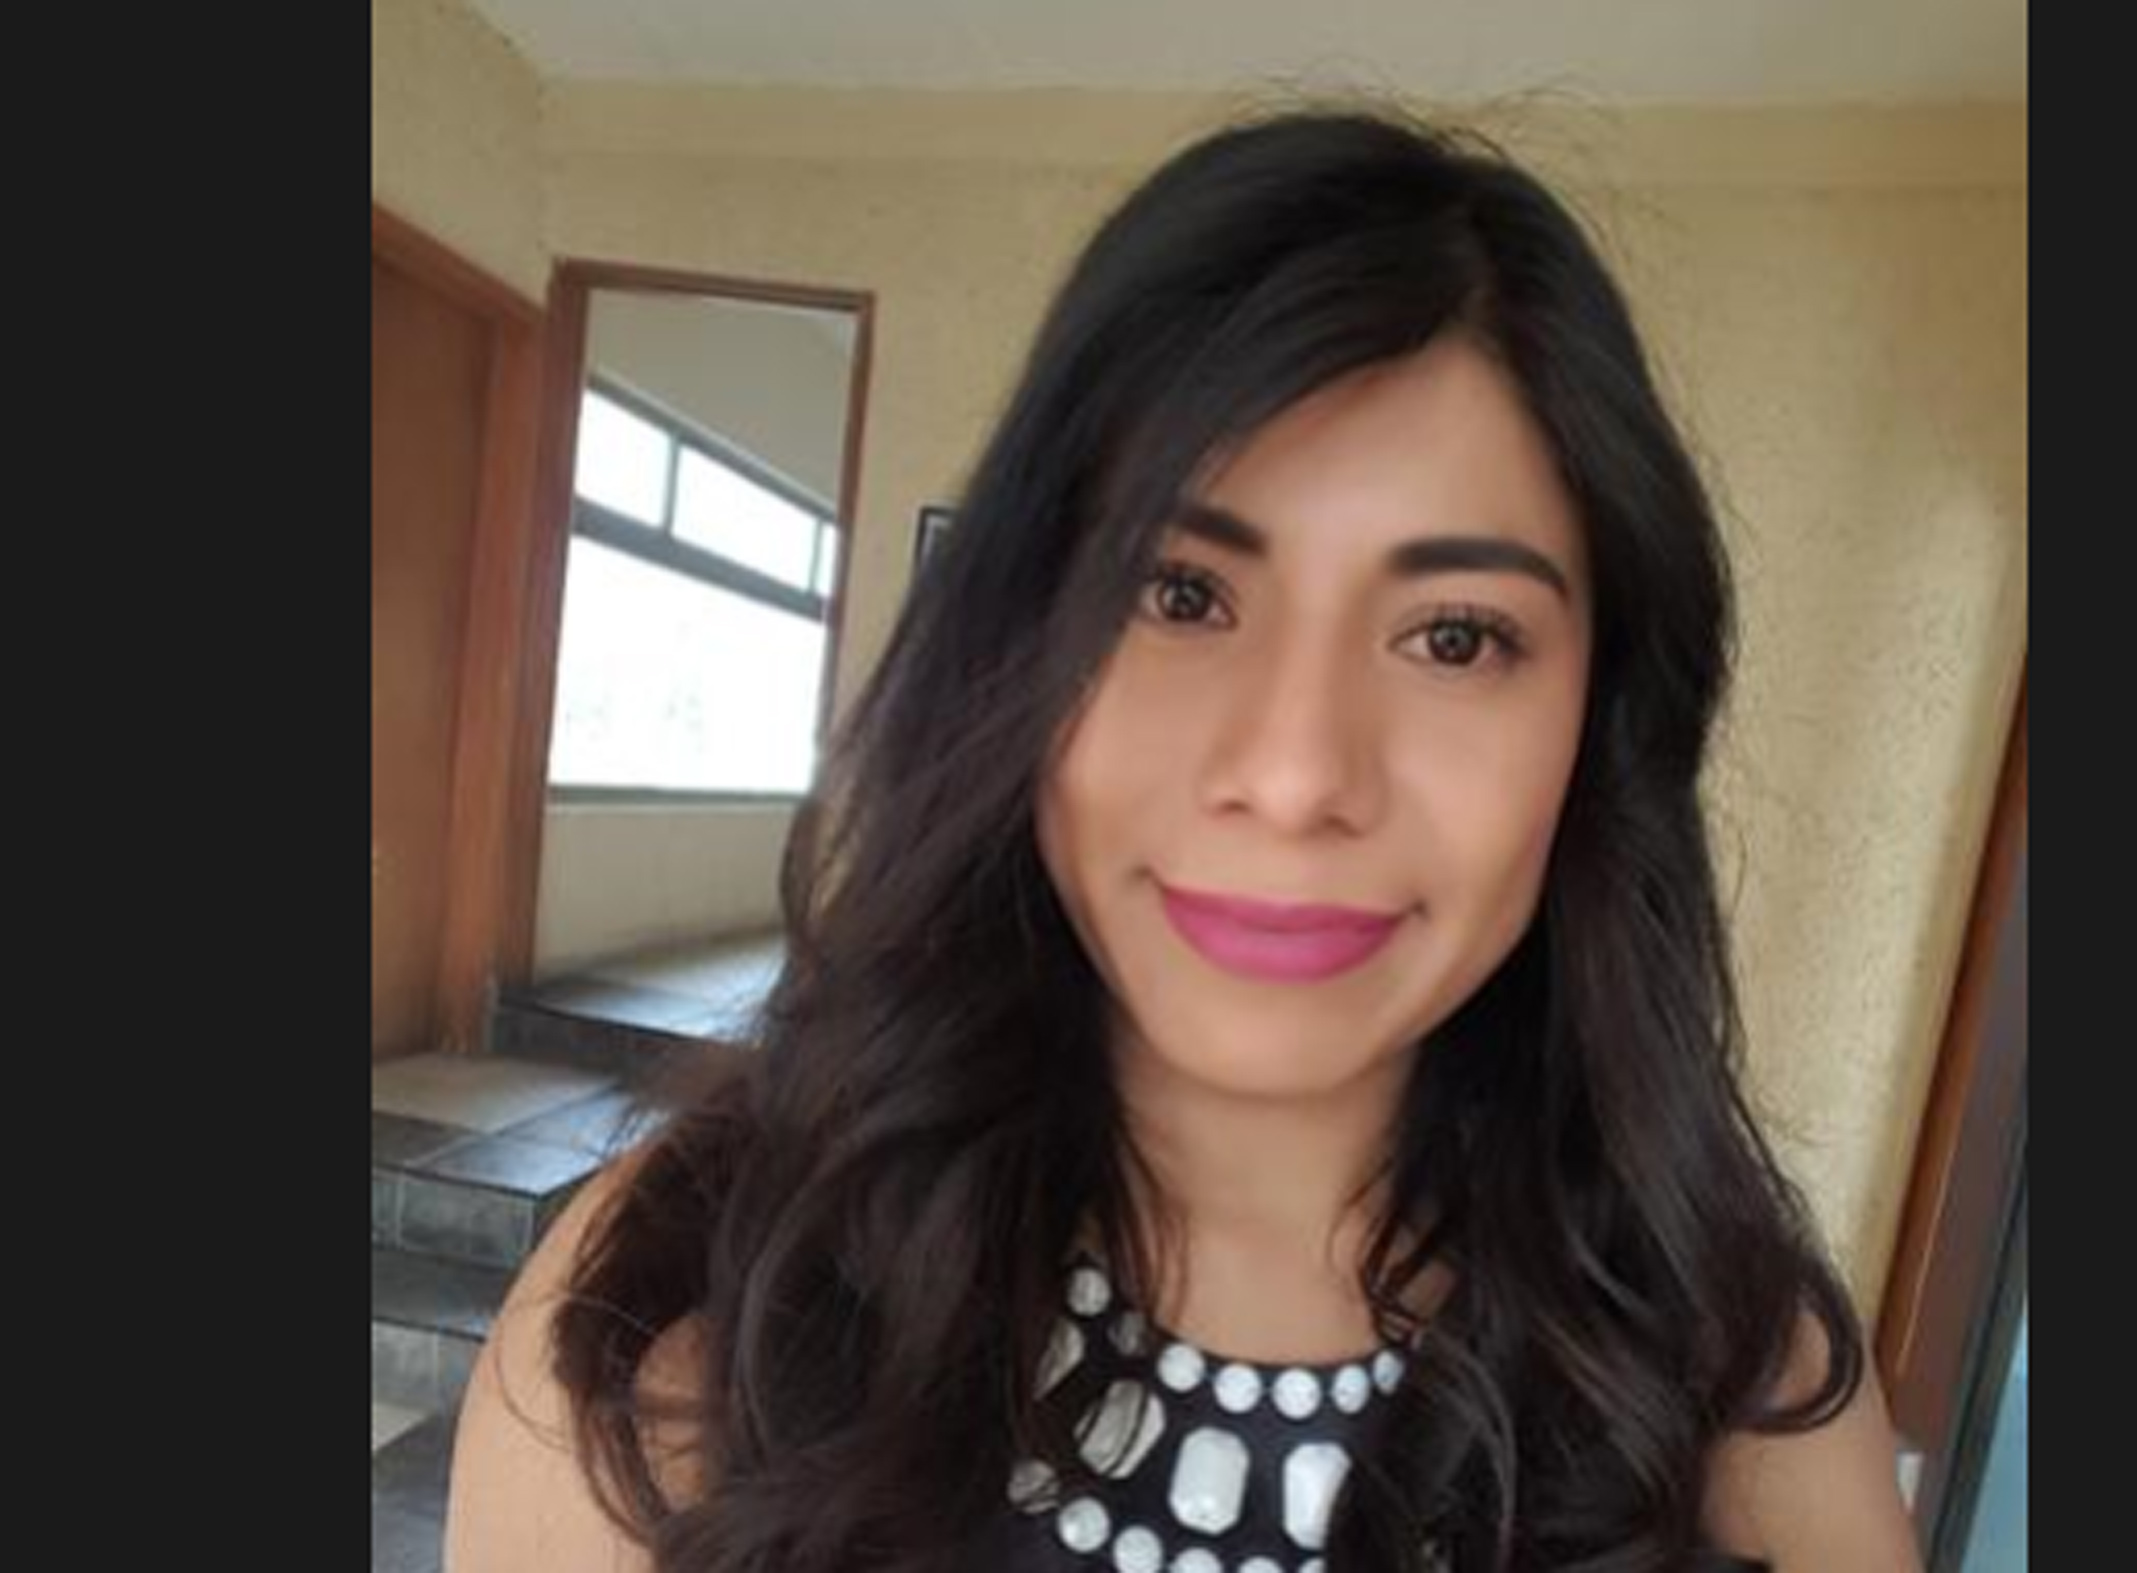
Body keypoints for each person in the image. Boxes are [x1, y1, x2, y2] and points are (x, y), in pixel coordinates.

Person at [447, 102, 1925, 1573]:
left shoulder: (1738, 1383)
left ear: (1599, 725)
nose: (1293, 775)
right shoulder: (687, 1300)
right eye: (1180, 594)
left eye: (1456, 636)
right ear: (1018, 645)